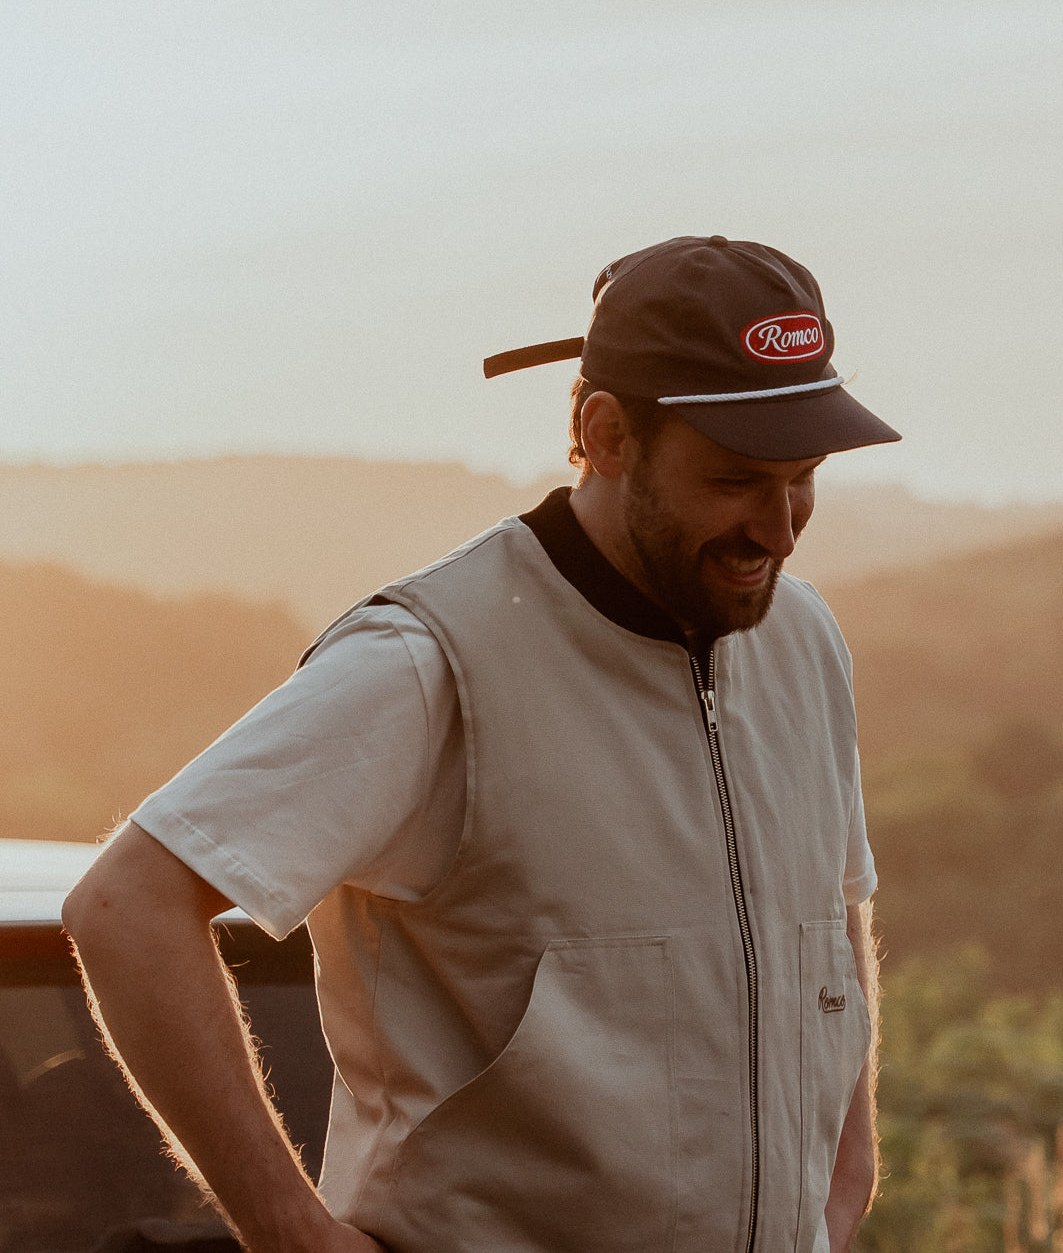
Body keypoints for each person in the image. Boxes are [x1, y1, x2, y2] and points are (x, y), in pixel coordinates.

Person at [64, 235, 901, 1253]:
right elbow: (126, 907)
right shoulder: (430, 662)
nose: (776, 526)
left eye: (801, 477)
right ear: (605, 433)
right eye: (734, 480)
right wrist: (294, 1234)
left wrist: (845, 1174)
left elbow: (835, 909)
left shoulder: (801, 639)